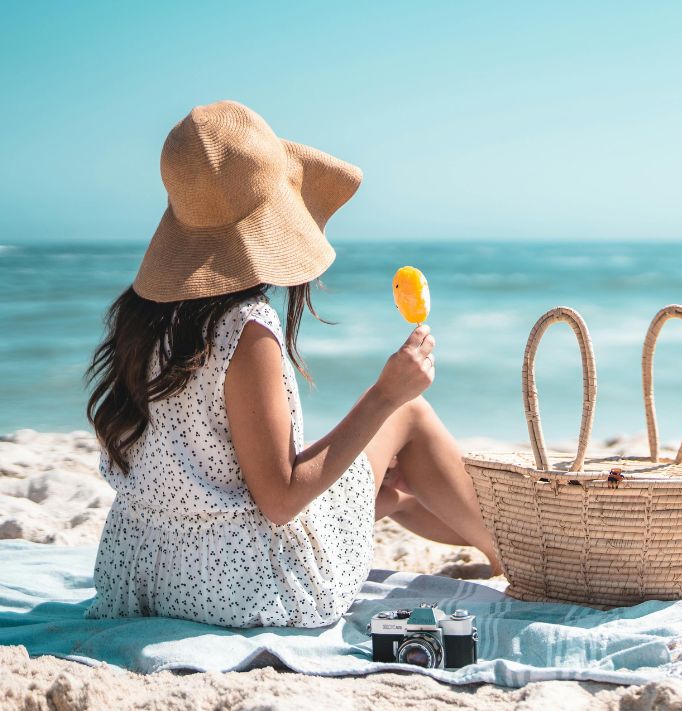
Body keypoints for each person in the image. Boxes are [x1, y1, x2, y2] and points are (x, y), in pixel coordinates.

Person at [83, 100, 501, 628]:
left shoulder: (140, 314)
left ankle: (396, 506)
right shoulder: (244, 327)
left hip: (141, 575)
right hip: (238, 586)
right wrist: (386, 394)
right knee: (407, 416)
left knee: (391, 488)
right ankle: (509, 555)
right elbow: (279, 503)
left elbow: (216, 471)